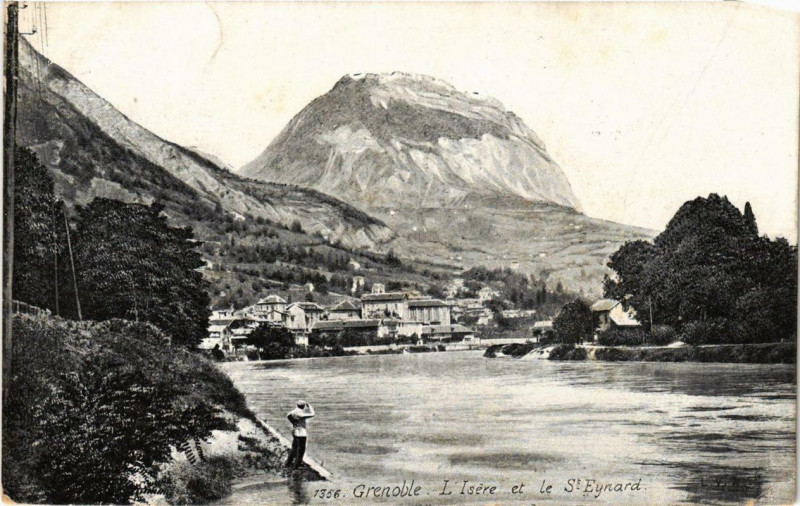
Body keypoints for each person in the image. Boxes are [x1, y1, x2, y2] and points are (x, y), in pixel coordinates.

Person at [286, 400, 315, 469]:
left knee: (294, 448)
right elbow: (312, 414)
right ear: (303, 406)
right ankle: (297, 465)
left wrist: (293, 423)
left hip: (295, 431)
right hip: (301, 433)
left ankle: (288, 463)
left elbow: (288, 415)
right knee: (301, 449)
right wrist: (310, 407)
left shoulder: (293, 411)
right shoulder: (300, 413)